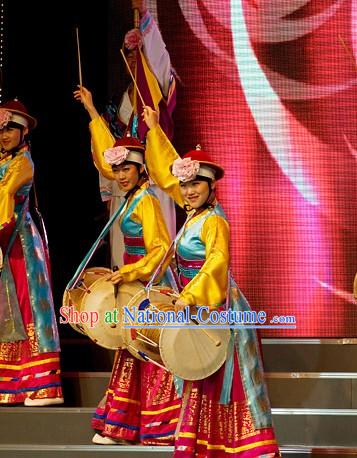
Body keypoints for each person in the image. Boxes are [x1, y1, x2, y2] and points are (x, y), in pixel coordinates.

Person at [143, 106, 280, 457]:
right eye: (184, 184)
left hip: (215, 305)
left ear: (211, 185)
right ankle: (203, 443)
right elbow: (162, 170)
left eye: (195, 184)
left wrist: (189, 298)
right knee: (198, 373)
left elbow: (217, 262)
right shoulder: (194, 215)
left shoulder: (214, 222)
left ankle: (240, 445)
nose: (187, 191)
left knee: (223, 378)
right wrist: (155, 130)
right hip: (193, 304)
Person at [83, 125, 181, 445]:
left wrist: (130, 273)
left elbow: (160, 249)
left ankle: (161, 425)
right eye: (117, 169)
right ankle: (126, 424)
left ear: (141, 168)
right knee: (130, 350)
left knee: (152, 351)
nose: (121, 175)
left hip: (150, 283)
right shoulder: (132, 198)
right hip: (135, 282)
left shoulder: (146, 201)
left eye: (127, 168)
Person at [74, 0, 176, 269]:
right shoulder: (120, 103)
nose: (133, 61)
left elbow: (160, 59)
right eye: (128, 56)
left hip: (153, 182)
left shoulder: (156, 93)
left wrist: (144, 18)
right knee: (123, 258)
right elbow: (109, 145)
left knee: (156, 256)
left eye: (138, 55)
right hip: (124, 186)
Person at [0, 99, 63, 406]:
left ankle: (41, 384)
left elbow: (5, 197)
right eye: (1, 128)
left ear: (24, 131)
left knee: (29, 308)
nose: (5, 134)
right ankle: (12, 382)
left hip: (20, 245)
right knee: (8, 309)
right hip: (4, 245)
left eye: (11, 128)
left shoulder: (23, 163)